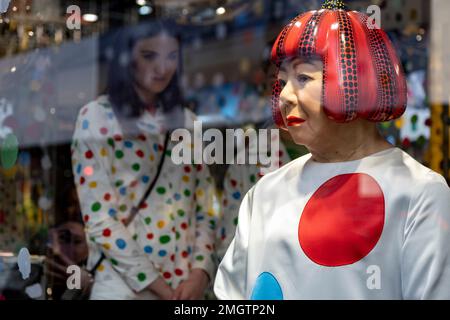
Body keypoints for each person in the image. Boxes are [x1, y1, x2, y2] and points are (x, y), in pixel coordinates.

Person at [214, 0, 450, 299]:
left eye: (303, 78)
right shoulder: (265, 193)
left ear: (357, 80)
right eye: (283, 81)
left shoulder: (418, 192)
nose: (285, 95)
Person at [71, 20, 217, 300]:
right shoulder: (97, 117)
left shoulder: (186, 121)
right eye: (149, 56)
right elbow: (100, 218)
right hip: (123, 287)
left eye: (171, 56)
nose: (162, 68)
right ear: (127, 58)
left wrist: (201, 272)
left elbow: (206, 207)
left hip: (187, 286)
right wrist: (162, 288)